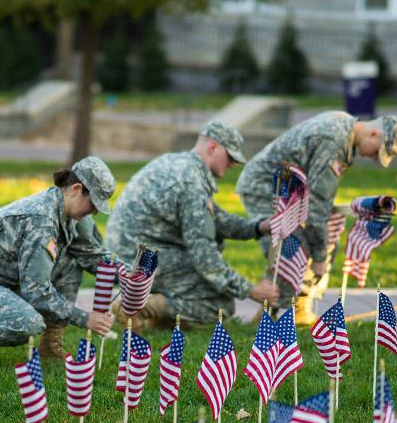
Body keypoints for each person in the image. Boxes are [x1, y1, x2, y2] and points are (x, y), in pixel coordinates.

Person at [236, 112, 397, 323]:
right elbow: (317, 207)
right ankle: (278, 314)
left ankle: (291, 308)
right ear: (373, 133)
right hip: (264, 188)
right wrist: (319, 258)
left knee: (302, 241)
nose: (373, 158)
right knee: (292, 244)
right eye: (377, 152)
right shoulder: (333, 142)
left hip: (289, 190)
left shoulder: (344, 129)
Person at [0, 157, 118, 364]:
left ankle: (50, 345)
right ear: (76, 189)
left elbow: (91, 255)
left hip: (9, 282)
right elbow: (37, 293)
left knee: (72, 259)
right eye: (93, 204)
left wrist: (129, 275)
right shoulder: (40, 221)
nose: (95, 211)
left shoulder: (71, 214)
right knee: (28, 323)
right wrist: (85, 318)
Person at [104, 120, 278, 328]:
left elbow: (215, 219)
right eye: (230, 157)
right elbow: (205, 258)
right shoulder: (191, 182)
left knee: (209, 287)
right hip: (139, 261)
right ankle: (136, 306)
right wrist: (251, 290)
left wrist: (258, 227)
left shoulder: (180, 164)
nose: (232, 164)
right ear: (213, 147)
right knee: (219, 303)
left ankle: (157, 317)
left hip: (133, 255)